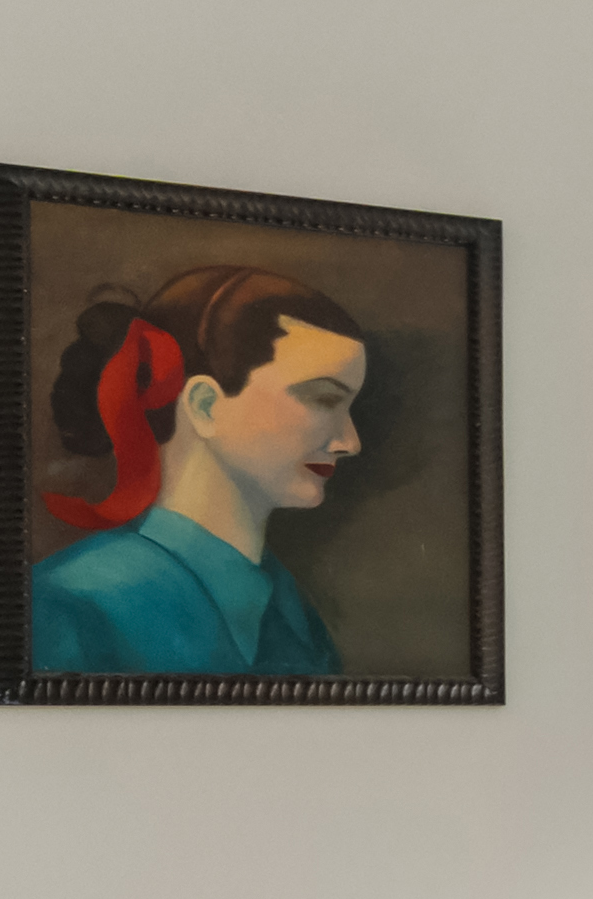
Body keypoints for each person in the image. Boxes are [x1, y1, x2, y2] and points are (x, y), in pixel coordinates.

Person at [25, 264, 368, 676]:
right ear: (205, 405)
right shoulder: (69, 603)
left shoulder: (291, 610)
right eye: (324, 399)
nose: (349, 442)